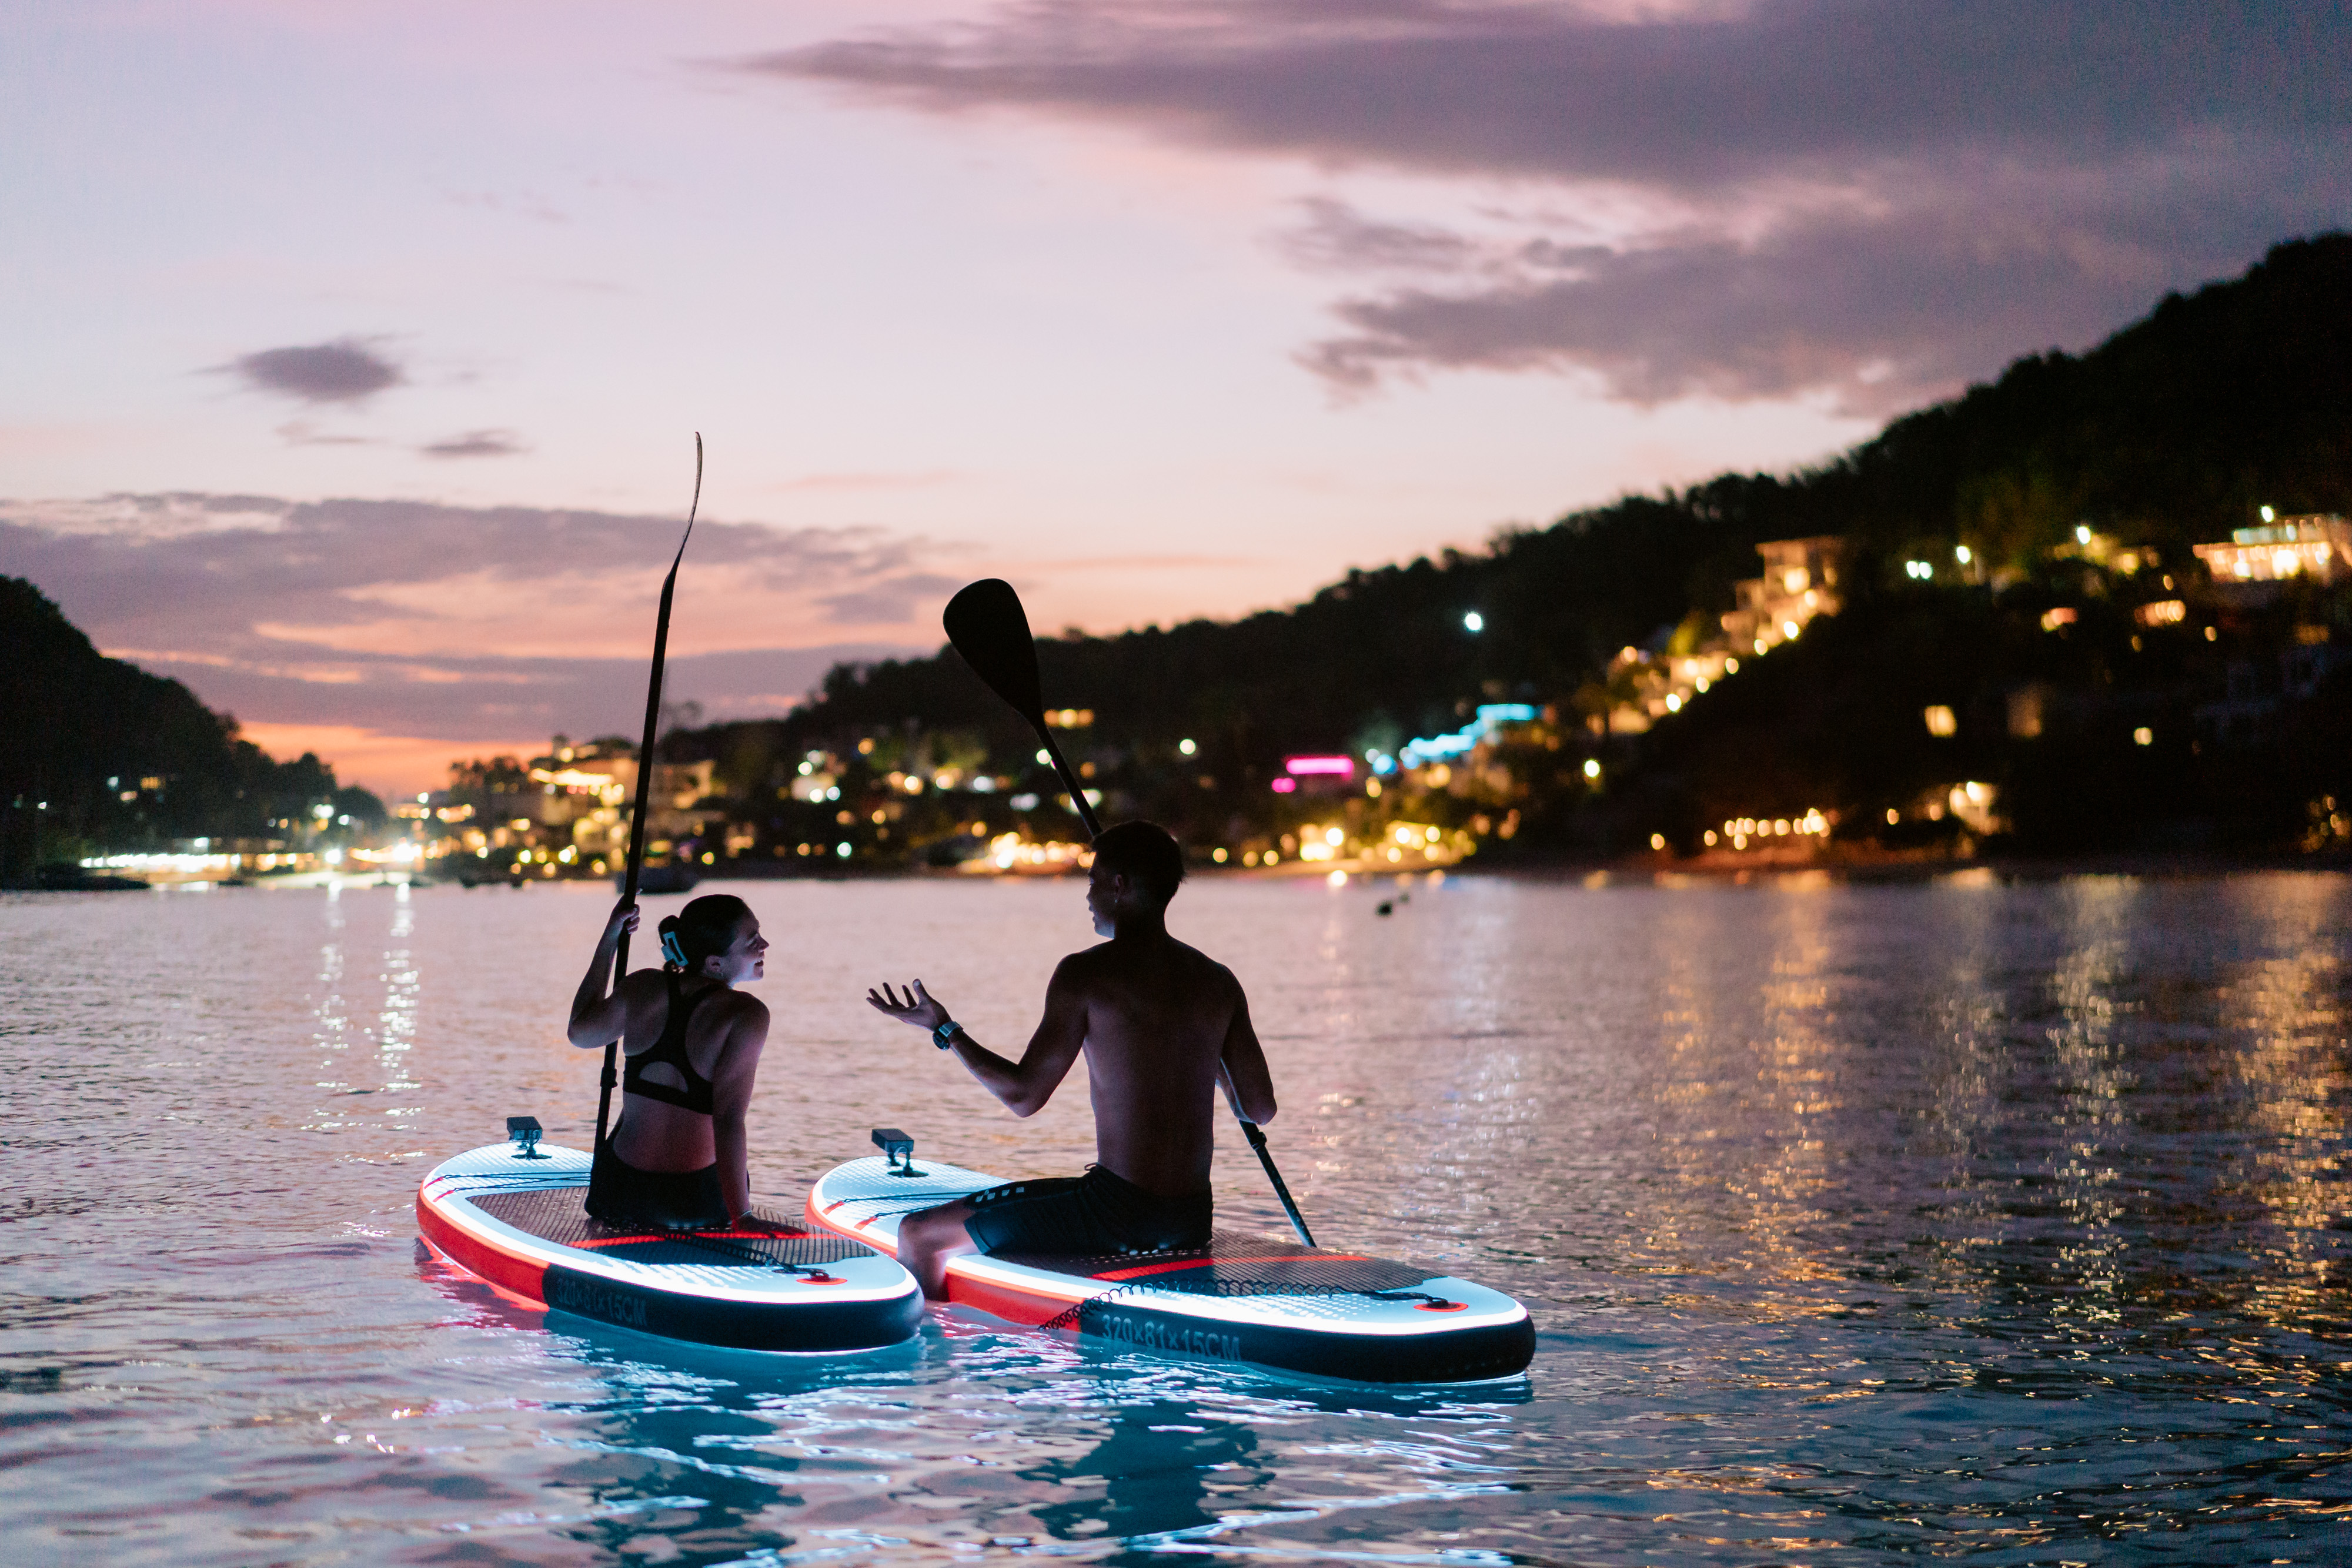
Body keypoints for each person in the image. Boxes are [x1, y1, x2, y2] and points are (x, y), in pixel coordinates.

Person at [866, 820, 1278, 1298]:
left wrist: (944, 1028)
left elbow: (1023, 1097)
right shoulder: (1218, 981)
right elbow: (1259, 1109)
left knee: (918, 1233)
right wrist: (1208, 1058)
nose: (1087, 897)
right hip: (1191, 1219)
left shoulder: (1084, 974)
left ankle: (931, 1363)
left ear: (1119, 886)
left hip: (1114, 1215)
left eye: (1093, 880)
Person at [569, 892, 770, 1229]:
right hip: (694, 1202)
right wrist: (743, 1217)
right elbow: (729, 1119)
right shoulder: (747, 1014)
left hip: (621, 1192)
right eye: (752, 941)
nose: (765, 944)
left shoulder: (642, 987)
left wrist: (611, 939)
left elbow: (580, 1032)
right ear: (715, 964)